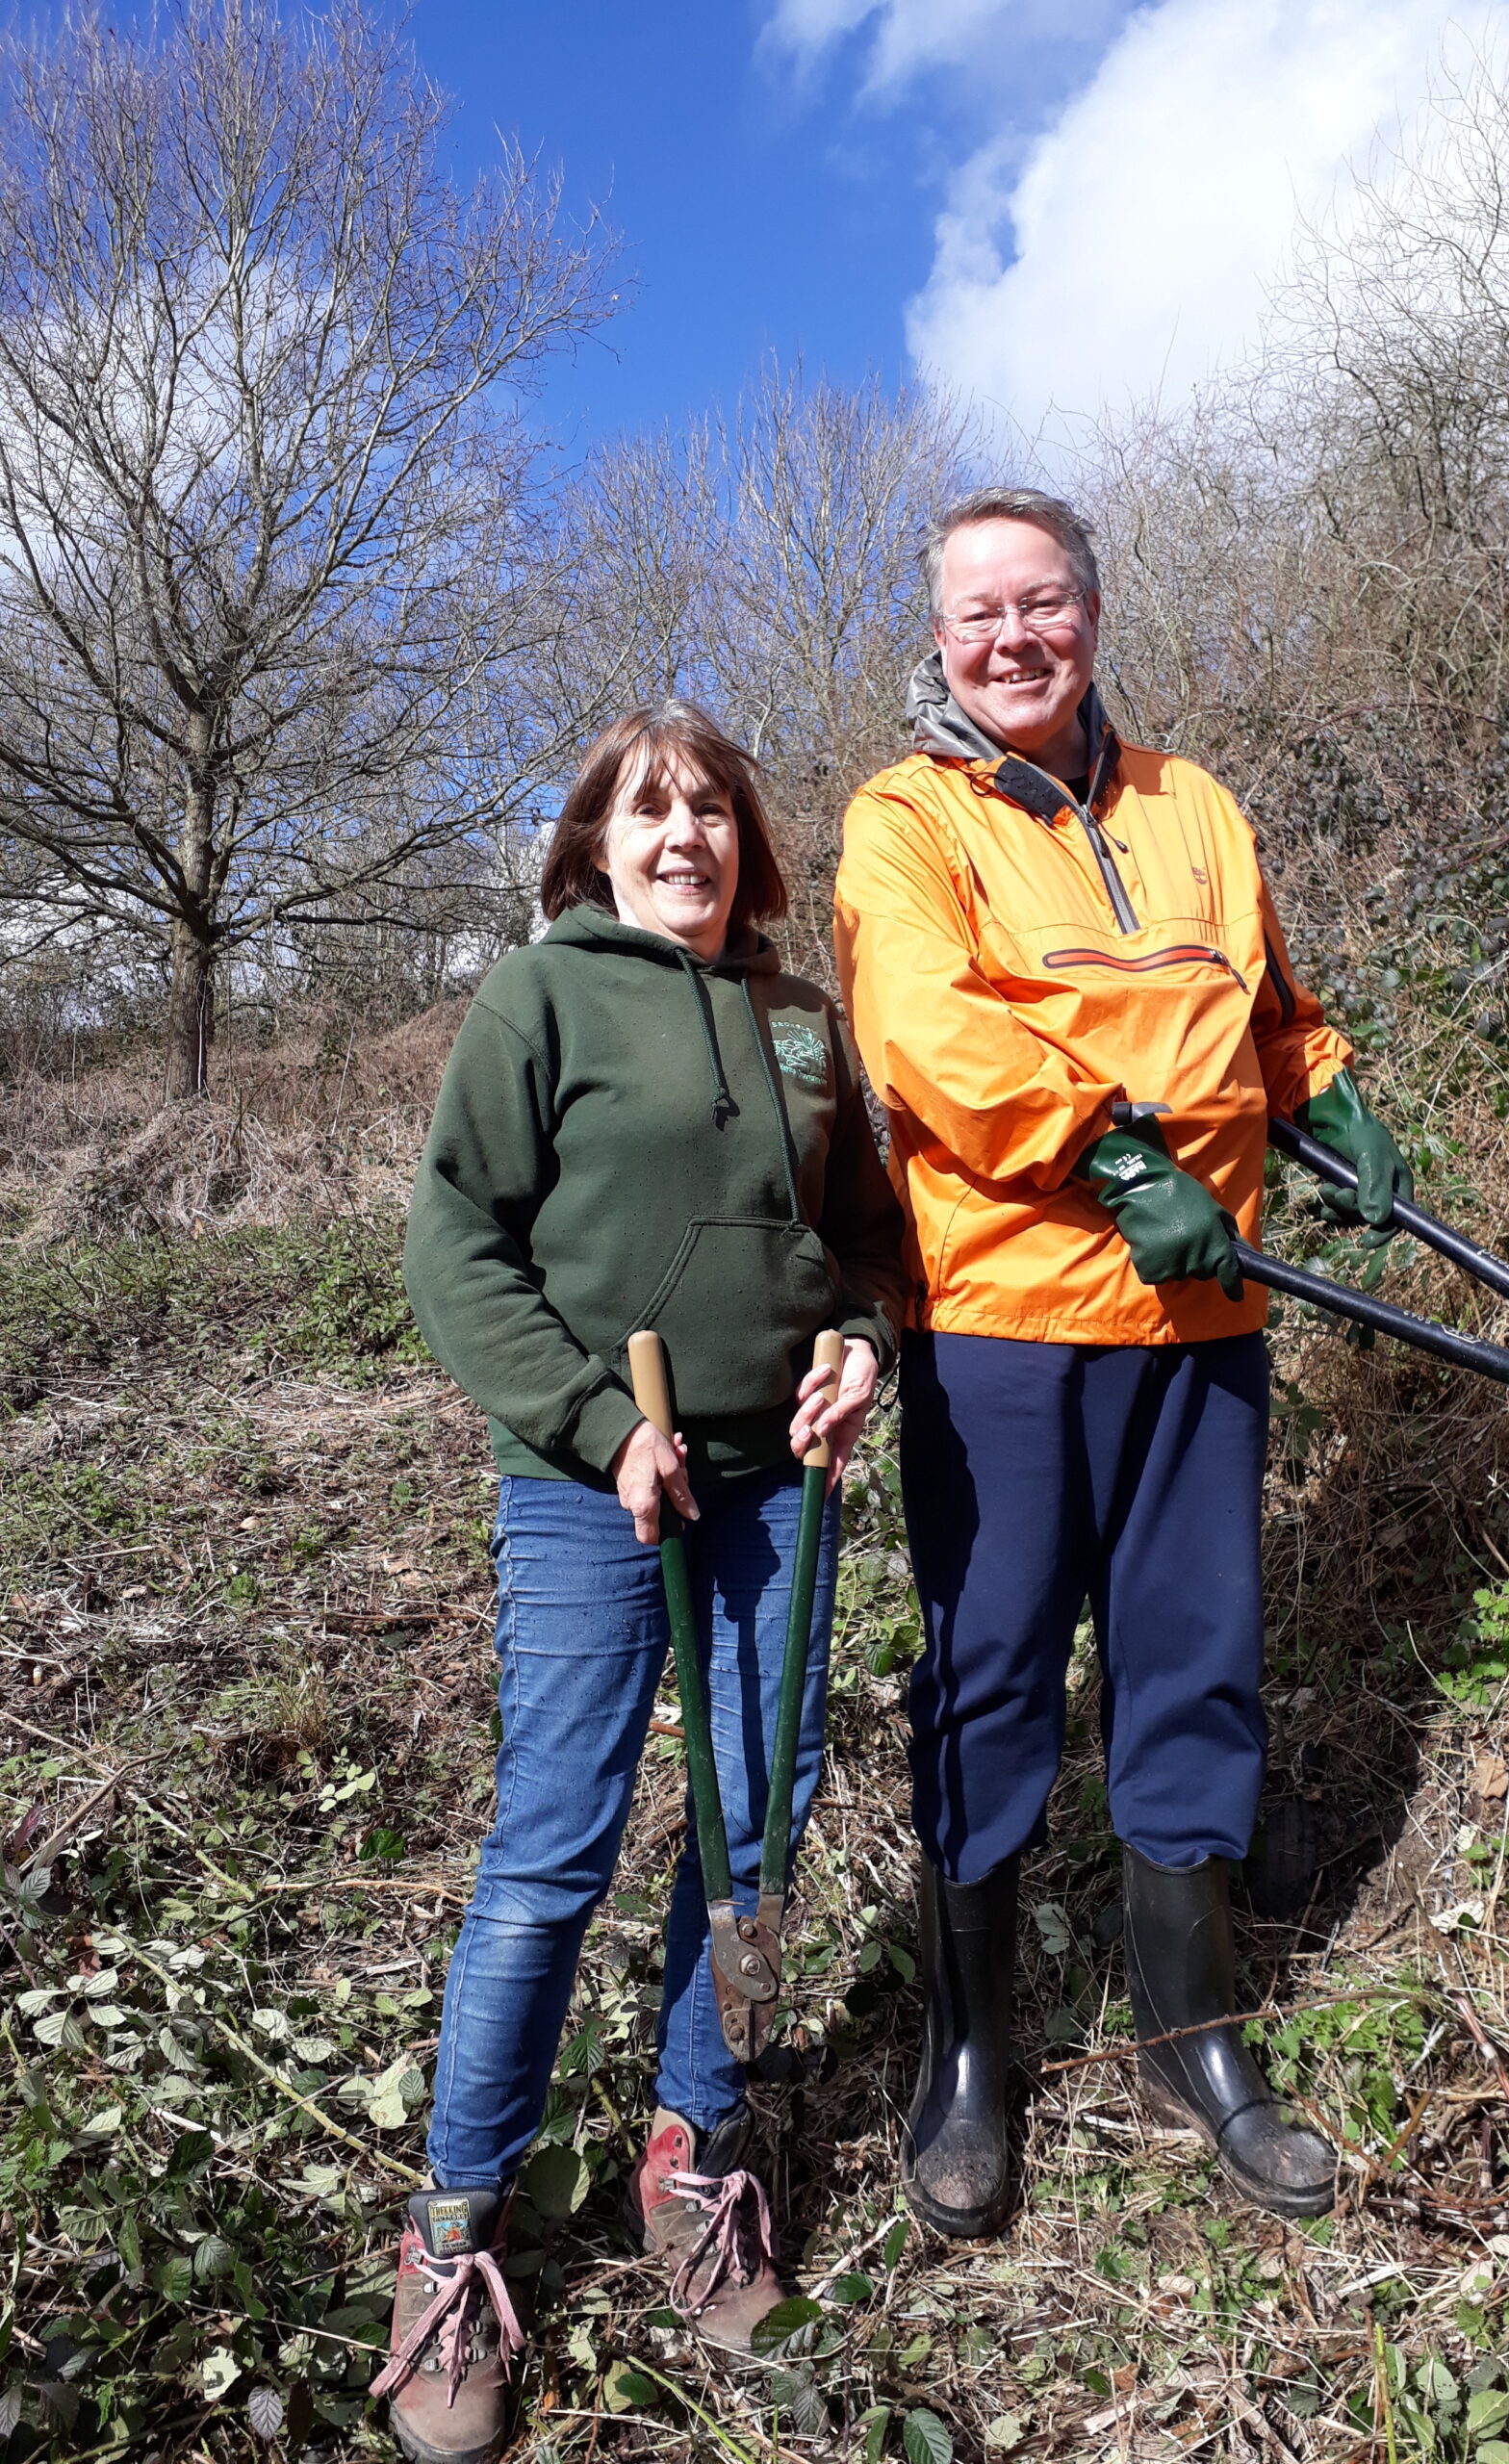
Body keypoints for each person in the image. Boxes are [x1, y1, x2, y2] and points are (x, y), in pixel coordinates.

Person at [833, 488, 1413, 2239]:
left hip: (1202, 1318)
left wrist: (1325, 1089)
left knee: (1193, 1661)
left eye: (1043, 603)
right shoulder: (903, 820)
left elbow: (1259, 1001)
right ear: (936, 639)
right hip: (1006, 1320)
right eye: (976, 613)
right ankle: (968, 2055)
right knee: (992, 1670)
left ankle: (1194, 2035)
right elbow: (929, 1038)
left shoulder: (1195, 805)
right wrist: (1115, 1155)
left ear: (1094, 612)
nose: (1012, 638)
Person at [377, 702, 907, 2464]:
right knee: (555, 1846)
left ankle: (693, 2148)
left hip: (777, 1480)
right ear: (595, 843)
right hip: (596, 1486)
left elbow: (862, 1242)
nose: (685, 836)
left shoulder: (801, 1021)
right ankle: (453, 2233)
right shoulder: (541, 996)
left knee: (753, 1828)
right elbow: (455, 1241)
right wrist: (598, 1419)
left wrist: (854, 1340)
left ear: (750, 842)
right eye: (647, 811)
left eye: (713, 812)